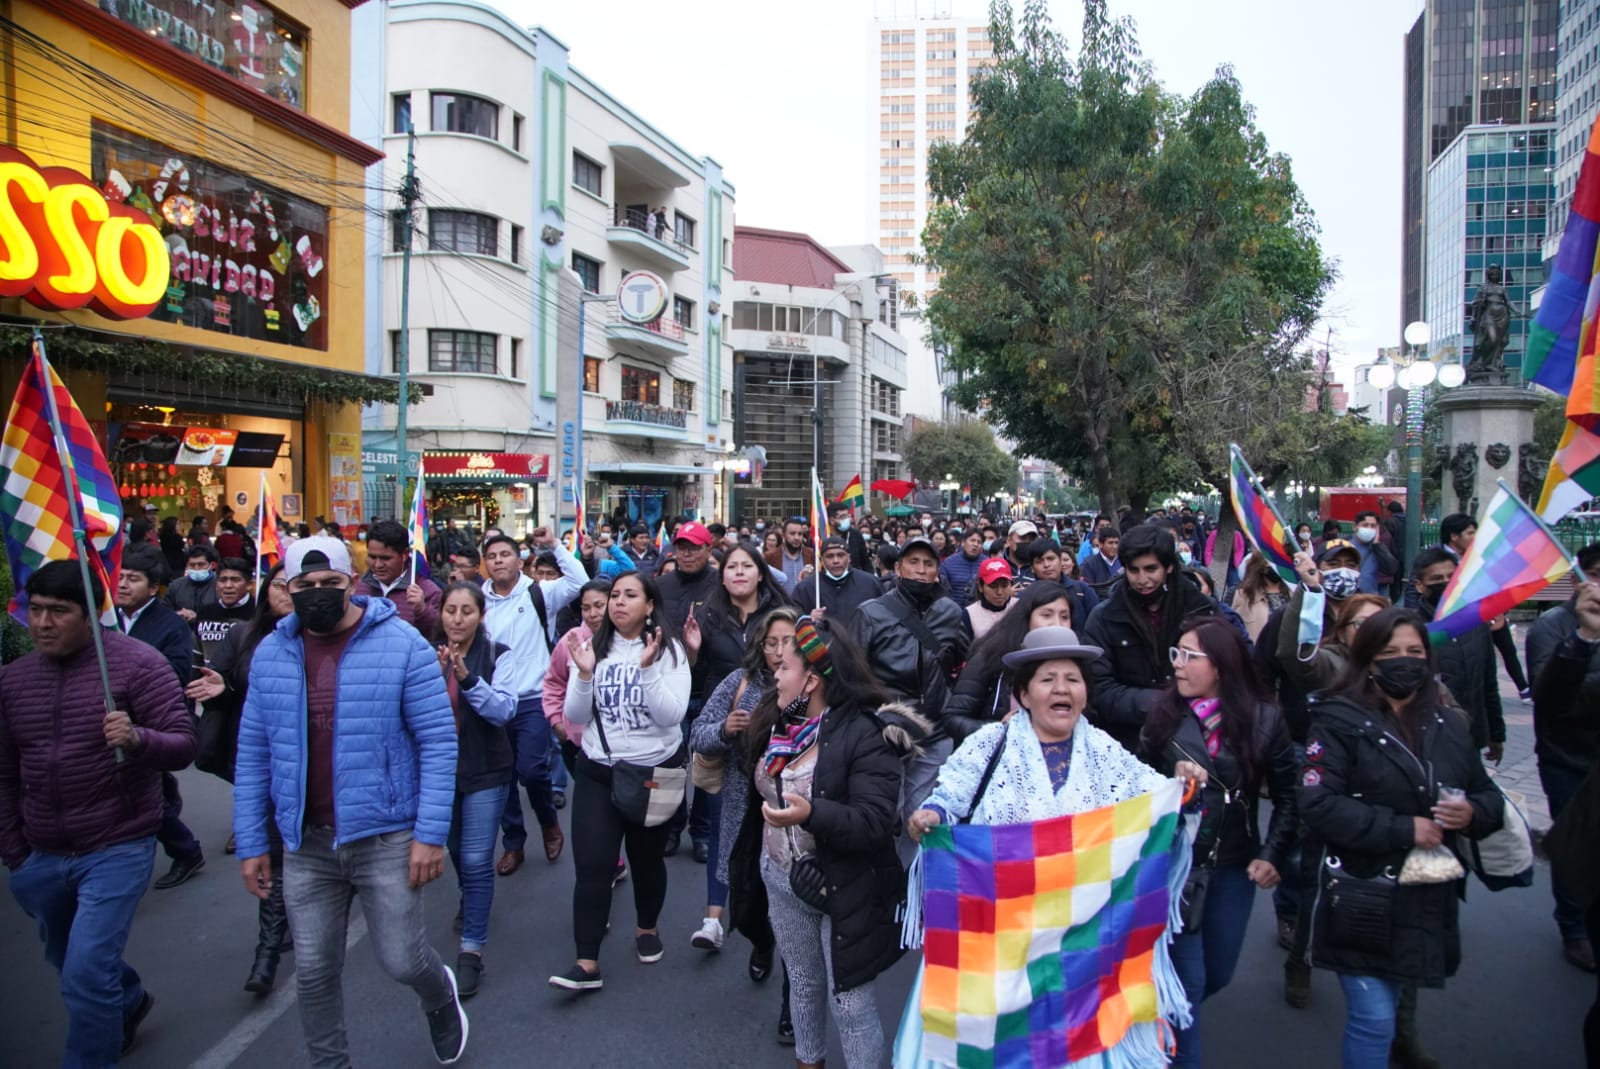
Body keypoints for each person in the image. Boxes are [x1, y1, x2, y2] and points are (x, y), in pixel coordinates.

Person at [906, 625, 1199, 1066]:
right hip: (997, 946)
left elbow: (1157, 802)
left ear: (1085, 692)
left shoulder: (1105, 752)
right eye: (1048, 679)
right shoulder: (989, 744)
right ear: (1024, 694)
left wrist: (1184, 786)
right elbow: (950, 796)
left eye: (1073, 679)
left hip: (1079, 955)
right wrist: (932, 814)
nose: (1062, 689)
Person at [232, 535, 469, 1067]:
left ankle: (439, 994)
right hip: (306, 844)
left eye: (329, 583)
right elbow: (253, 753)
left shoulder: (403, 644)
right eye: (304, 585)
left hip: (386, 836)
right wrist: (252, 842)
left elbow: (437, 741)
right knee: (314, 972)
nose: (317, 592)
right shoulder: (271, 653)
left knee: (403, 960)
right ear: (287, 588)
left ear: (351, 583)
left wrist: (430, 835)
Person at [1, 560, 196, 1066]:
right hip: (40, 855)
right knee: (68, 957)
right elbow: (4, 772)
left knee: (86, 971)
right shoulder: (13, 681)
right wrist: (15, 852)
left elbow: (182, 745)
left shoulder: (137, 666)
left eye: (58, 611)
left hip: (116, 845)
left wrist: (137, 738)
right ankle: (127, 1000)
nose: (43, 623)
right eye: (35, 610)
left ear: (91, 614)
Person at [1298, 608, 1502, 1069]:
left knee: (1393, 1008)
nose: (1404, 661)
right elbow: (1318, 802)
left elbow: (1488, 797)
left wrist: (1472, 812)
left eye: (1414, 651)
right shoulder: (1338, 719)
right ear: (1368, 659)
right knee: (1373, 1019)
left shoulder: (1450, 725)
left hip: (1425, 893)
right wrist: (1402, 828)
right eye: (1390, 652)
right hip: (1360, 892)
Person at [728, 617, 908, 1069]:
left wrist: (811, 814)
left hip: (844, 886)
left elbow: (874, 821)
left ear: (811, 680)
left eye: (784, 667)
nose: (774, 672)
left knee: (849, 1003)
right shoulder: (777, 721)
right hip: (780, 878)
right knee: (804, 984)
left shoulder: (865, 734)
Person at [1141, 620, 1298, 1068]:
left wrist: (1272, 854)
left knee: (1219, 972)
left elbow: (1290, 797)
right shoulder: (1163, 715)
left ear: (1223, 665)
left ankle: (1162, 1014)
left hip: (1234, 864)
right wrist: (1170, 784)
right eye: (1176, 653)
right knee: (1189, 982)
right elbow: (1135, 785)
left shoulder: (1266, 718)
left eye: (1190, 656)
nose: (1178, 665)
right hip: (1178, 868)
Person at [551, 572, 692, 991]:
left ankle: (647, 927)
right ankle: (586, 961)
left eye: (630, 595)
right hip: (598, 769)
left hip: (653, 773)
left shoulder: (669, 651)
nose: (618, 602)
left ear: (650, 606)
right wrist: (584, 675)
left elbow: (671, 715)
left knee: (647, 861)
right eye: (615, 595)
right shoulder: (591, 648)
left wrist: (646, 670)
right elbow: (575, 716)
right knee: (592, 866)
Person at [184, 563, 295, 994]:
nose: (287, 594)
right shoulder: (243, 635)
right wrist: (220, 690)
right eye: (280, 585)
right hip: (259, 759)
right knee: (272, 852)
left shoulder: (319, 637)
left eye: (295, 586)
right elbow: (224, 687)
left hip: (311, 761)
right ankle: (266, 954)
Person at [692, 607, 796, 1037]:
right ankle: (761, 940)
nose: (779, 651)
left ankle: (793, 1008)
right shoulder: (741, 682)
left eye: (788, 641)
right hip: (747, 809)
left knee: (795, 915)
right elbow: (698, 733)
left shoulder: (816, 684)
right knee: (748, 907)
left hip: (795, 812)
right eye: (771, 642)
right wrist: (725, 729)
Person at [849, 534, 967, 848]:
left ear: (937, 571)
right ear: (898, 568)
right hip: (885, 734)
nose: (920, 570)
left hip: (934, 733)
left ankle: (912, 878)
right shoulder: (871, 613)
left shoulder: (951, 612)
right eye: (913, 562)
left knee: (921, 822)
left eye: (928, 563)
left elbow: (966, 665)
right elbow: (852, 676)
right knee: (886, 816)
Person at [482, 529, 586, 875]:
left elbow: (579, 581)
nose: (498, 561)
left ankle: (548, 822)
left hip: (532, 699)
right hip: (492, 700)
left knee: (530, 769)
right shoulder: (477, 600)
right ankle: (513, 842)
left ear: (520, 560)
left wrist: (554, 544)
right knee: (502, 776)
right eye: (492, 556)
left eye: (505, 554)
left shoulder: (539, 592)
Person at [434, 582, 518, 999]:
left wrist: (467, 680)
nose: (457, 619)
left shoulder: (498, 654)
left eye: (467, 611)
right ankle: (470, 896)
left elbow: (504, 710)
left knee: (475, 857)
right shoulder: (427, 656)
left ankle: (471, 951)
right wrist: (436, 677)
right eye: (450, 610)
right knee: (454, 849)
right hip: (441, 773)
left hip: (486, 768)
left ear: (481, 616)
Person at [688, 543, 791, 863]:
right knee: (726, 826)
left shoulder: (782, 612)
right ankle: (722, 889)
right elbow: (693, 680)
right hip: (727, 723)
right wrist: (691, 651)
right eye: (732, 567)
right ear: (722, 576)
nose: (739, 573)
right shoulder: (707, 615)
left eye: (747, 566)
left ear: (761, 574)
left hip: (779, 727)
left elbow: (804, 670)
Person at [1525, 547, 1600, 975]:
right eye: (1597, 574)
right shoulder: (1553, 627)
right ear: (1578, 578)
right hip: (1567, 758)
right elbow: (1549, 696)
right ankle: (1574, 927)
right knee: (1574, 844)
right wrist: (1585, 639)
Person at [1080, 523, 1218, 753]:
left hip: (1196, 734)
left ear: (1169, 567)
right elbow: (1098, 688)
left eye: (1150, 569)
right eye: (1134, 570)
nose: (1142, 579)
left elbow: (1225, 668)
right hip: (1127, 739)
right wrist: (1161, 703)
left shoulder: (1201, 609)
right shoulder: (1105, 617)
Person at [117, 544, 207, 891]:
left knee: (138, 792)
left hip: (152, 719)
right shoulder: (104, 619)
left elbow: (178, 672)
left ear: (153, 587)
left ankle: (186, 850)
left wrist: (130, 672)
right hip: (111, 718)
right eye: (120, 577)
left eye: (133, 579)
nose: (123, 584)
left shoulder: (170, 625)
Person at [653, 521, 724, 855]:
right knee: (670, 765)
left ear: (708, 549)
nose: (687, 554)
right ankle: (672, 826)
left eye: (695, 547)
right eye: (682, 547)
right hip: (671, 688)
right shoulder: (660, 586)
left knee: (707, 767)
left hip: (711, 688)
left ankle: (702, 831)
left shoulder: (721, 584)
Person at [944, 581, 1076, 742]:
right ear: (1027, 617)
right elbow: (953, 719)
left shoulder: (1075, 663)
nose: (1057, 624)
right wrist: (999, 729)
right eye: (1046, 615)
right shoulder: (991, 655)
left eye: (1064, 617)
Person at [1410, 547, 1504, 763]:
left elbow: (1488, 683)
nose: (1445, 583)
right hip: (1428, 742)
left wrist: (1496, 733)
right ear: (1420, 585)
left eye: (1451, 577)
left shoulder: (1476, 622)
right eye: (1436, 579)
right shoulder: (1411, 630)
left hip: (1471, 737)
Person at [357, 519, 443, 637]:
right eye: (372, 557)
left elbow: (439, 636)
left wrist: (422, 611)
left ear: (405, 555)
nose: (377, 565)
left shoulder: (428, 591)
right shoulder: (359, 588)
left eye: (385, 558)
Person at [794, 535, 880, 623]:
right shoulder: (806, 588)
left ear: (849, 558)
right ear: (822, 560)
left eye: (840, 555)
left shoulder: (870, 583)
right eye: (830, 556)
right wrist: (807, 619)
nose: (836, 561)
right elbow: (793, 617)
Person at [193, 556, 256, 663]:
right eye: (222, 580)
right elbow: (196, 656)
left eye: (235, 580)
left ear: (249, 584)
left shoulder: (258, 613)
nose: (228, 585)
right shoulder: (205, 613)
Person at [1231, 552, 1290, 644]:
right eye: (1272, 566)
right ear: (1262, 568)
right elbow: (1234, 628)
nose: (1277, 570)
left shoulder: (1293, 594)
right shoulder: (1245, 595)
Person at [964, 558, 1015, 641]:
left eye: (1004, 585)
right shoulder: (970, 614)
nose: (999, 592)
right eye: (993, 586)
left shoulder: (1021, 606)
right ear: (980, 587)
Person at [165, 544, 220, 622]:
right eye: (192, 565)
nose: (196, 568)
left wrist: (198, 617)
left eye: (201, 564)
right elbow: (165, 611)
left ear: (211, 565)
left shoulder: (221, 586)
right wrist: (178, 614)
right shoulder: (175, 586)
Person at [1351, 510, 1399, 596]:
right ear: (1355, 527)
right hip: (1349, 598)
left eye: (1373, 526)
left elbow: (1391, 569)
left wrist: (1377, 545)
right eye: (1365, 525)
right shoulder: (1344, 545)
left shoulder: (1378, 548)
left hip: (1370, 597)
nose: (1369, 528)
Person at [765, 516, 816, 593]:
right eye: (792, 533)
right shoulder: (769, 557)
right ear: (783, 535)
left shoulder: (812, 554)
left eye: (800, 534)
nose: (796, 537)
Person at [940, 527, 985, 605]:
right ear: (963, 542)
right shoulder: (948, 563)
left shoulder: (987, 563)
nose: (975, 544)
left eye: (979, 542)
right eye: (972, 540)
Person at [828, 502, 872, 573]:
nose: (847, 520)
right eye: (843, 517)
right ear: (832, 520)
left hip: (856, 577)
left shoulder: (855, 535)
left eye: (848, 516)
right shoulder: (823, 537)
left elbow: (865, 562)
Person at [1080, 525, 1122, 595]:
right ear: (1101, 544)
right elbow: (1089, 591)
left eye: (1116, 543)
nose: (1114, 546)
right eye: (1110, 543)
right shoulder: (1089, 564)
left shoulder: (1124, 561)